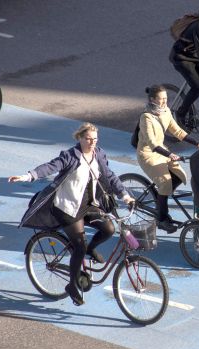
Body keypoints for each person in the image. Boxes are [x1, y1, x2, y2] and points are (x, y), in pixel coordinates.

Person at [9, 122, 135, 306]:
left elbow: (109, 176)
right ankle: (72, 285)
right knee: (79, 246)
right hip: (67, 208)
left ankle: (91, 248)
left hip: (89, 204)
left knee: (108, 228)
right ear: (80, 138)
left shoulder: (98, 153)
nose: (92, 142)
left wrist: (125, 195)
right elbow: (50, 167)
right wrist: (28, 176)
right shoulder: (70, 156)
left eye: (95, 139)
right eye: (88, 139)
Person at [137, 84, 199, 233]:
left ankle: (160, 199)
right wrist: (169, 155)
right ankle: (162, 219)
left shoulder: (166, 112)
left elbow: (177, 131)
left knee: (180, 176)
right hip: (148, 154)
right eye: (161, 99)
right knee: (165, 184)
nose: (164, 102)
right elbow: (152, 143)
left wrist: (197, 143)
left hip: (163, 152)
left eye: (166, 98)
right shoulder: (146, 117)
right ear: (152, 100)